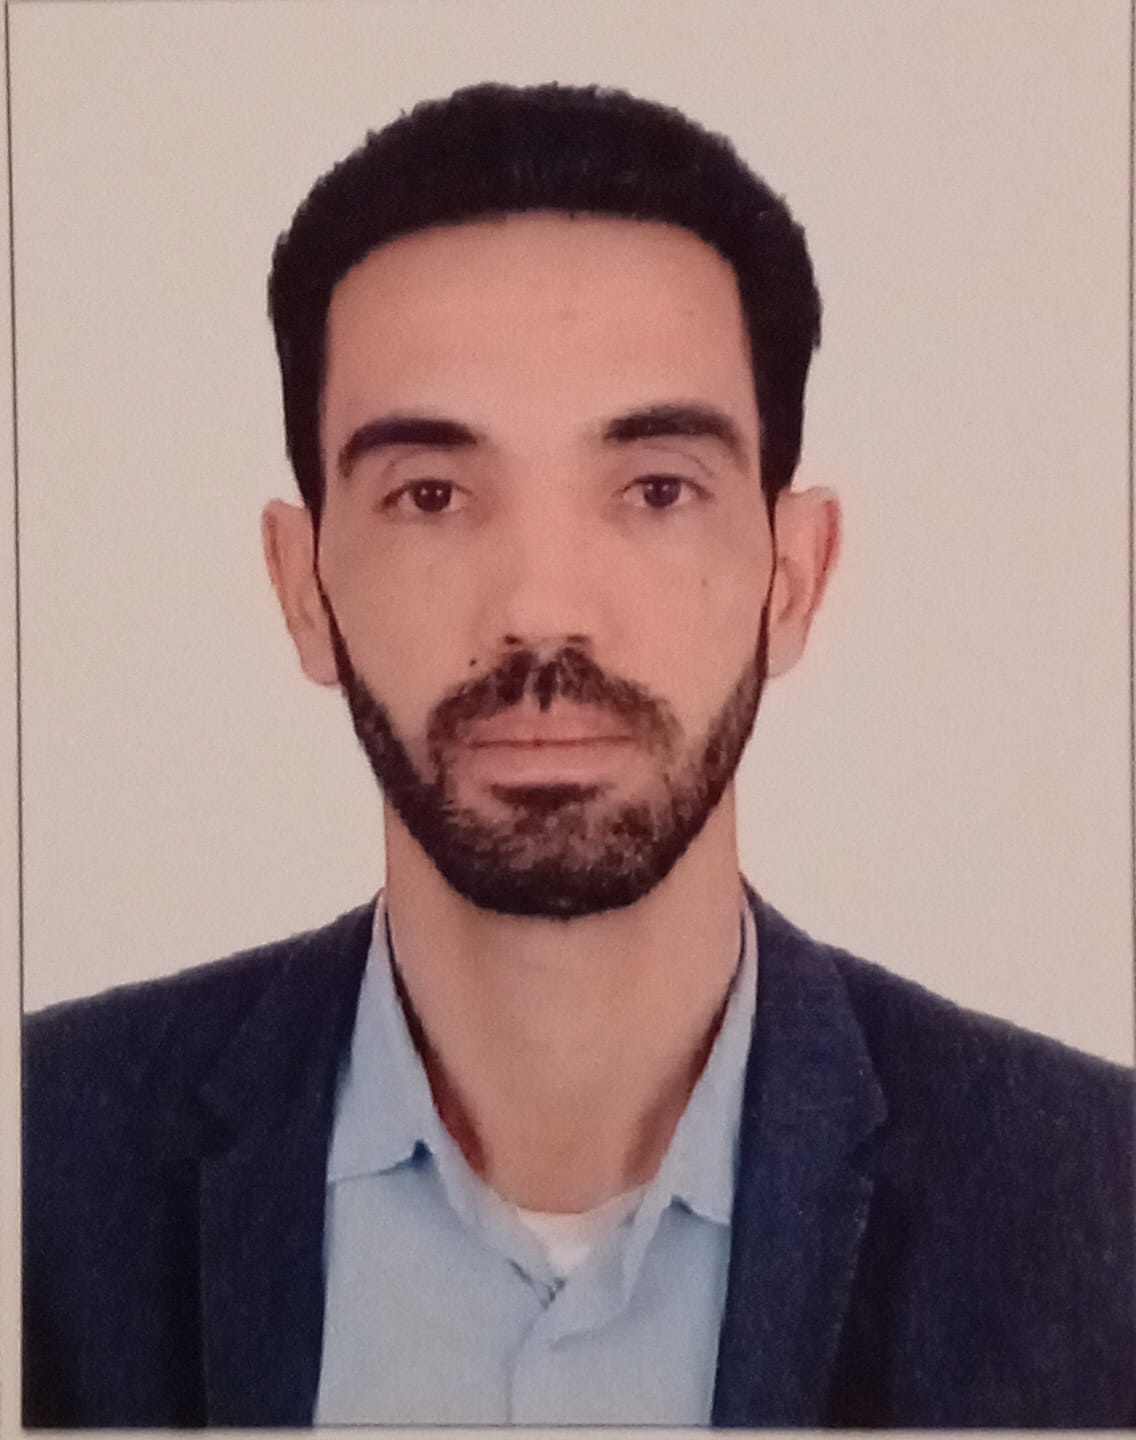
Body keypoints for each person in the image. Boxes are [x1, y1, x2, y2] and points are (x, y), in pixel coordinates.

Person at [22, 82, 1133, 1428]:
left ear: (794, 576)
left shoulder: (1100, 1208)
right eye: (433, 495)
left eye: (657, 490)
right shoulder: (38, 1167)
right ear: (302, 585)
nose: (543, 609)